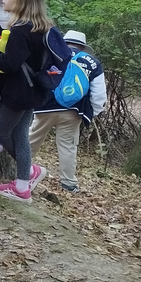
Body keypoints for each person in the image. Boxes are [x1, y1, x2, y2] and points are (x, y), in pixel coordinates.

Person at [0, 0, 55, 202]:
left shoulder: (20, 30)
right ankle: (23, 182)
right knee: (20, 134)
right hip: (35, 91)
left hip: (17, 94)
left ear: (22, 2)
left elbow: (10, 64)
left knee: (0, 133)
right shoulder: (42, 28)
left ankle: (27, 178)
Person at [29, 31, 106, 193]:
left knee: (32, 139)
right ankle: (69, 183)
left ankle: (18, 168)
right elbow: (99, 94)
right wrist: (93, 112)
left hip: (45, 106)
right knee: (68, 146)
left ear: (64, 42)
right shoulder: (92, 62)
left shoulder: (51, 52)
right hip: (73, 110)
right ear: (82, 47)